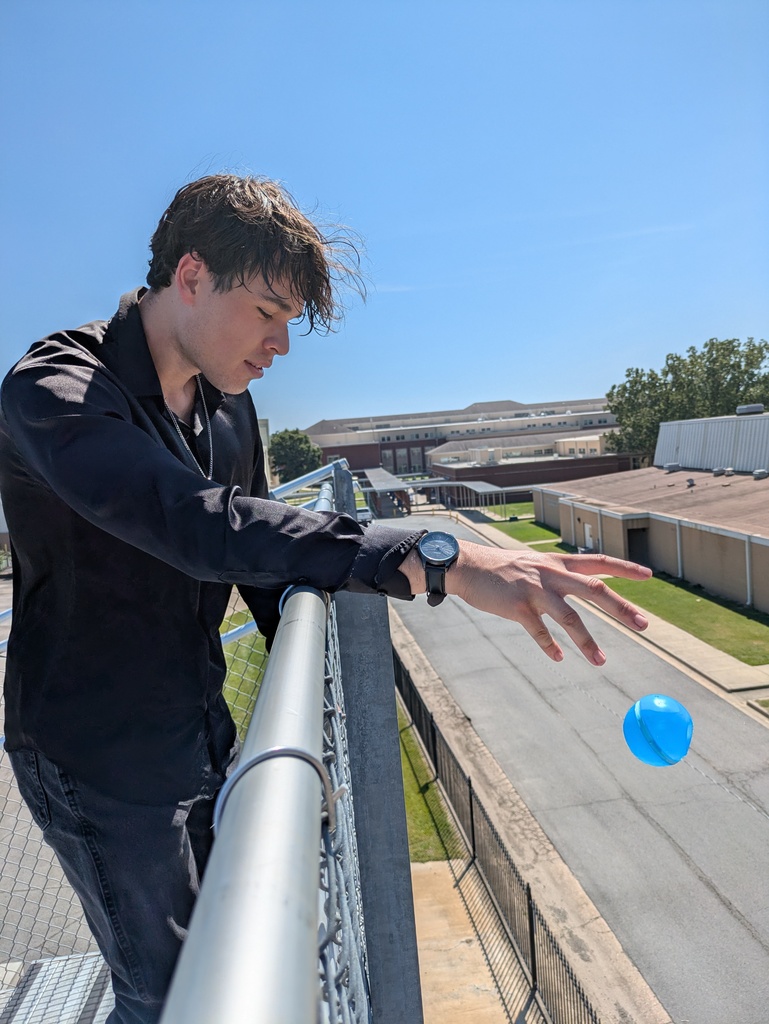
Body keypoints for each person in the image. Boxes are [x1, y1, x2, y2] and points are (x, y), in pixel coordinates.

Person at [0, 174, 651, 1024]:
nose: (280, 345)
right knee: (163, 999)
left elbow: (263, 566)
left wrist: (318, 715)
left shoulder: (228, 408)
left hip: (198, 727)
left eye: (290, 322)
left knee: (226, 953)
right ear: (191, 275)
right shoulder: (55, 390)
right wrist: (436, 558)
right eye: (266, 312)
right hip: (92, 752)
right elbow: (198, 524)